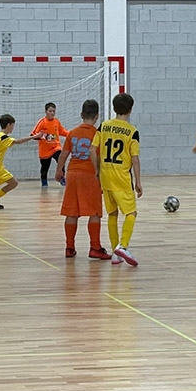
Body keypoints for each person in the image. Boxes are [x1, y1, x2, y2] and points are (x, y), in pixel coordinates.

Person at [54, 99, 112, 260]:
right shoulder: (97, 134)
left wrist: (59, 170)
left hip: (73, 173)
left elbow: (64, 154)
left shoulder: (72, 132)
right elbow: (99, 157)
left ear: (81, 115)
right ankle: (95, 247)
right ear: (97, 116)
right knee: (94, 212)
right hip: (90, 174)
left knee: (71, 212)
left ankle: (69, 247)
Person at [90, 93, 142, 266]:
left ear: (114, 108)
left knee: (112, 214)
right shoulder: (132, 132)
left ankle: (115, 253)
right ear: (130, 109)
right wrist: (138, 182)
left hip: (106, 176)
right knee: (131, 213)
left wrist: (97, 169)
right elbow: (135, 158)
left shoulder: (103, 126)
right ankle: (123, 246)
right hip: (122, 177)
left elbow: (92, 149)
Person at [31, 102, 70, 187]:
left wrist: (71, 134)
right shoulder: (42, 122)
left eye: (53, 111)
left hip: (56, 147)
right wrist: (46, 136)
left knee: (61, 160)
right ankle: (44, 181)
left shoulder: (56, 122)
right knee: (45, 168)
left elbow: (62, 131)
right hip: (45, 150)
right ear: (46, 111)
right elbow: (33, 135)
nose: (52, 113)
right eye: (50, 111)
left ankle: (62, 178)